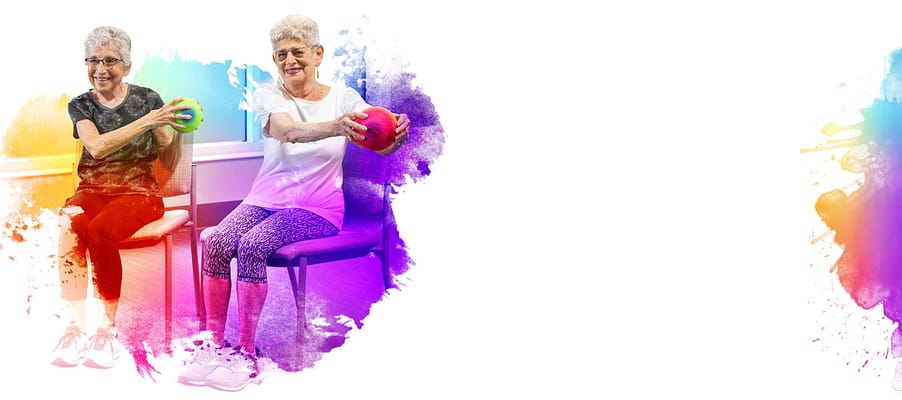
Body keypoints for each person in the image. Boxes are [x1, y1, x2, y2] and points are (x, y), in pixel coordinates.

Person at [177, 14, 409, 391]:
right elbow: (286, 131)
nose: (289, 61)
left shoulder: (344, 99)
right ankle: (212, 345)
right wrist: (337, 127)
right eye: (281, 54)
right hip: (264, 201)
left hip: (317, 210)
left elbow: (378, 141)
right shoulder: (270, 94)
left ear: (318, 54)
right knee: (218, 240)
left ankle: (246, 353)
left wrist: (394, 135)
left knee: (252, 245)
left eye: (298, 51)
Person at [51, 25, 194, 369]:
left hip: (139, 192)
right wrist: (147, 121)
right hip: (92, 189)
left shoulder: (147, 98)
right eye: (93, 60)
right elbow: (97, 148)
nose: (100, 69)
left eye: (110, 61)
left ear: (127, 66)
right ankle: (73, 328)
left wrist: (168, 129)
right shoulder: (80, 105)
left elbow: (164, 148)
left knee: (100, 232)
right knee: (69, 226)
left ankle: (105, 331)